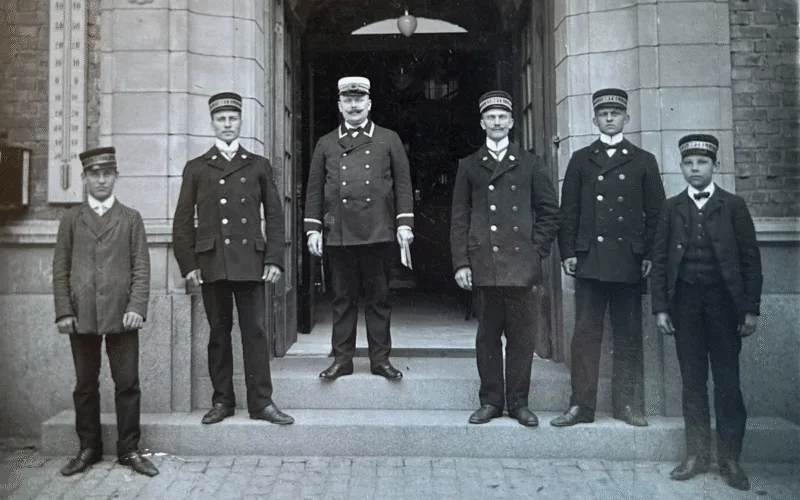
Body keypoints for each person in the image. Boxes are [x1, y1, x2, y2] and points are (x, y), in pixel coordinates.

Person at [172, 92, 294, 425]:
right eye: (221, 119)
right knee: (218, 333)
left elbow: (275, 215)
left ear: (241, 122)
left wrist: (274, 259)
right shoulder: (196, 168)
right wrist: (189, 264)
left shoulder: (258, 165)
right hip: (213, 262)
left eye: (233, 119)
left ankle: (262, 403)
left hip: (250, 263)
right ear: (212, 123)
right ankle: (222, 401)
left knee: (255, 331)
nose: (227, 124)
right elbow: (182, 221)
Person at [651, 134, 761, 491]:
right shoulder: (672, 208)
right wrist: (661, 309)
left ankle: (730, 458)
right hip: (685, 307)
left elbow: (750, 261)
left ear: (715, 166)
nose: (695, 168)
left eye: (701, 163)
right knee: (693, 382)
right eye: (688, 163)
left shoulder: (733, 206)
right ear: (681, 167)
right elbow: (661, 262)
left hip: (725, 307)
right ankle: (696, 454)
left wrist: (750, 310)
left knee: (728, 383)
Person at [552, 88, 666, 428]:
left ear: (626, 118)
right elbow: (567, 211)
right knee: (585, 335)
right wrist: (568, 252)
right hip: (590, 260)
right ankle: (581, 406)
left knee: (628, 334)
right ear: (595, 119)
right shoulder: (581, 159)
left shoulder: (643, 160)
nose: (610, 118)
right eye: (604, 114)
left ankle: (626, 405)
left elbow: (656, 213)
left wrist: (649, 255)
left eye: (616, 113)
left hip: (628, 261)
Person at [450, 90, 560, 426]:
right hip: (485, 265)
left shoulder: (530, 163)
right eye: (490, 117)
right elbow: (459, 217)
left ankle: (519, 403)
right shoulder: (469, 166)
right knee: (487, 336)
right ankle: (491, 402)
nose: (496, 122)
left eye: (502, 117)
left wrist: (535, 252)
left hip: (520, 268)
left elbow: (549, 213)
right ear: (482, 122)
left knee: (522, 337)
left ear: (511, 122)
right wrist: (461, 262)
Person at [52, 147, 158, 477]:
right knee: (85, 384)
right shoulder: (71, 219)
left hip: (121, 315)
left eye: (107, 173)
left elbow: (141, 267)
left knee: (127, 383)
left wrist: (137, 307)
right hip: (81, 314)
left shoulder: (131, 218)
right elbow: (61, 267)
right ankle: (89, 448)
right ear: (84, 178)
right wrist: (64, 311)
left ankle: (128, 449)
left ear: (115, 177)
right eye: (94, 174)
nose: (101, 179)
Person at [304, 76, 414, 381]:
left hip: (378, 230)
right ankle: (343, 359)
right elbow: (315, 190)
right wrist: (314, 229)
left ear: (369, 104)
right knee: (342, 299)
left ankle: (380, 360)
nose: (354, 106)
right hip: (339, 232)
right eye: (348, 101)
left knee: (379, 299)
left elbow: (403, 185)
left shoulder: (388, 139)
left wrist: (404, 224)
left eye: (359, 100)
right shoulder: (326, 143)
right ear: (340, 105)